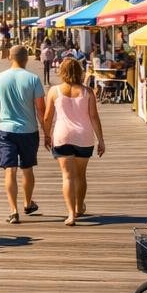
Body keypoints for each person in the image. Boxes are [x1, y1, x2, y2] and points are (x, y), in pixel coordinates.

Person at [42, 56, 105, 226]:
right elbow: (94, 117)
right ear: (79, 72)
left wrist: (46, 135)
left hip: (62, 136)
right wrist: (101, 140)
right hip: (84, 137)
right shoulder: (87, 92)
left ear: (61, 72)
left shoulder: (54, 91)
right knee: (81, 175)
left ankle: (71, 214)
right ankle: (79, 207)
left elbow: (47, 117)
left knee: (67, 176)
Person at [0, 45, 47, 224]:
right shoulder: (33, 79)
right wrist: (47, 132)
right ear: (26, 58)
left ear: (9, 57)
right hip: (29, 130)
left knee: (10, 170)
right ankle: (27, 203)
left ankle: (13, 210)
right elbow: (40, 108)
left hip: (6, 129)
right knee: (27, 169)